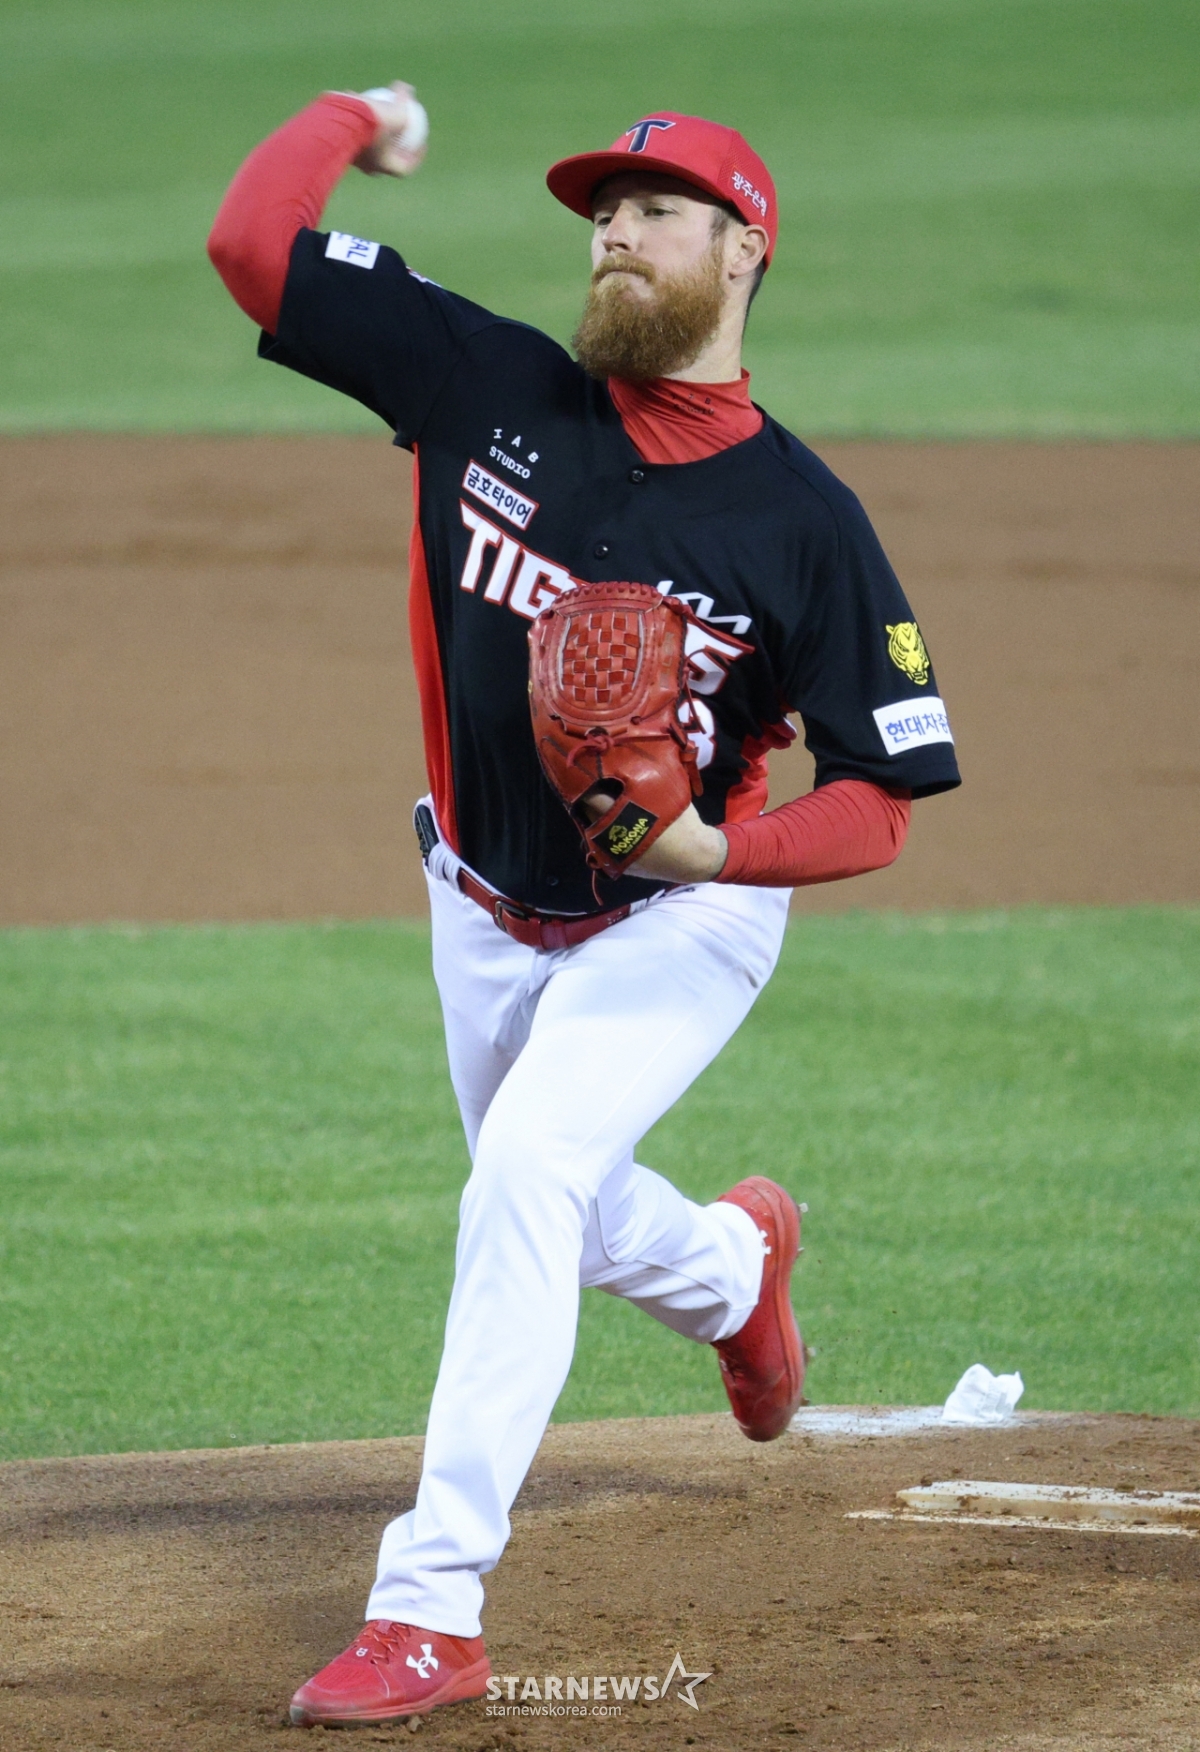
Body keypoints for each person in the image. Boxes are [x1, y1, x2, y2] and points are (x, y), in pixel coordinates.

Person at [208, 84, 959, 1728]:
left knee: (530, 1173)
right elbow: (252, 245)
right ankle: (734, 1272)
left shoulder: (803, 525)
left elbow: (883, 798)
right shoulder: (482, 382)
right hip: (477, 902)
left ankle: (430, 1609)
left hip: (678, 917)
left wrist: (711, 858)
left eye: (658, 208)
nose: (616, 231)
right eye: (603, 210)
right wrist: (355, 113)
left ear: (744, 251)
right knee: (563, 1197)